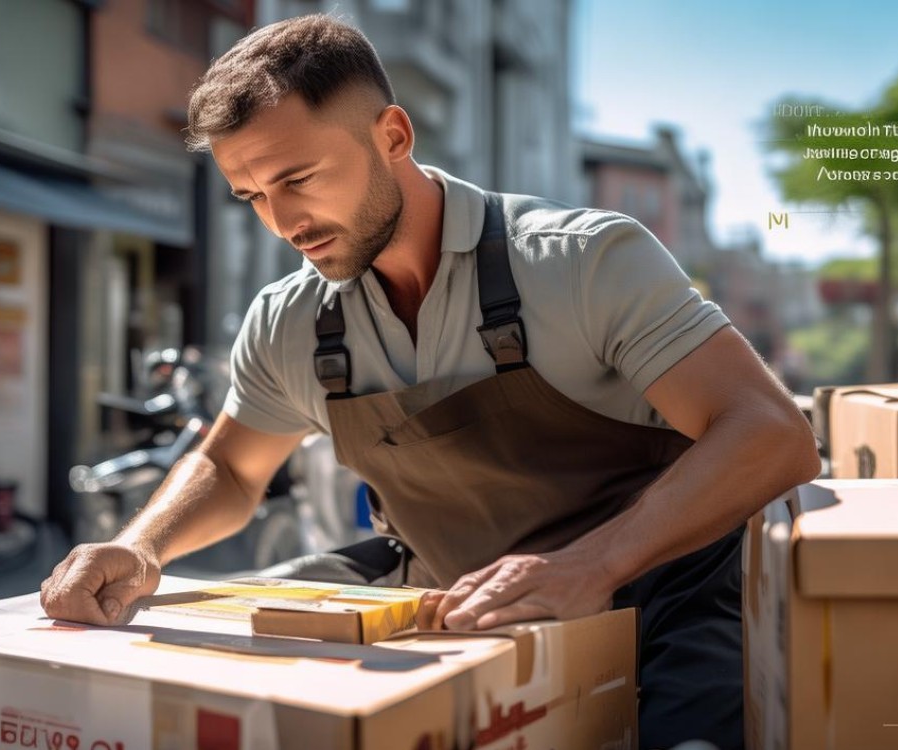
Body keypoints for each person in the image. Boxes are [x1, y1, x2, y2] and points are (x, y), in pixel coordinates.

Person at [40, 15, 819, 748]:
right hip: (455, 598)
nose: (282, 222)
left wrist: (594, 565)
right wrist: (141, 546)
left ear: (393, 136)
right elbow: (232, 468)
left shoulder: (580, 263)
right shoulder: (289, 321)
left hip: (661, 595)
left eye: (299, 178)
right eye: (253, 197)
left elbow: (772, 434)